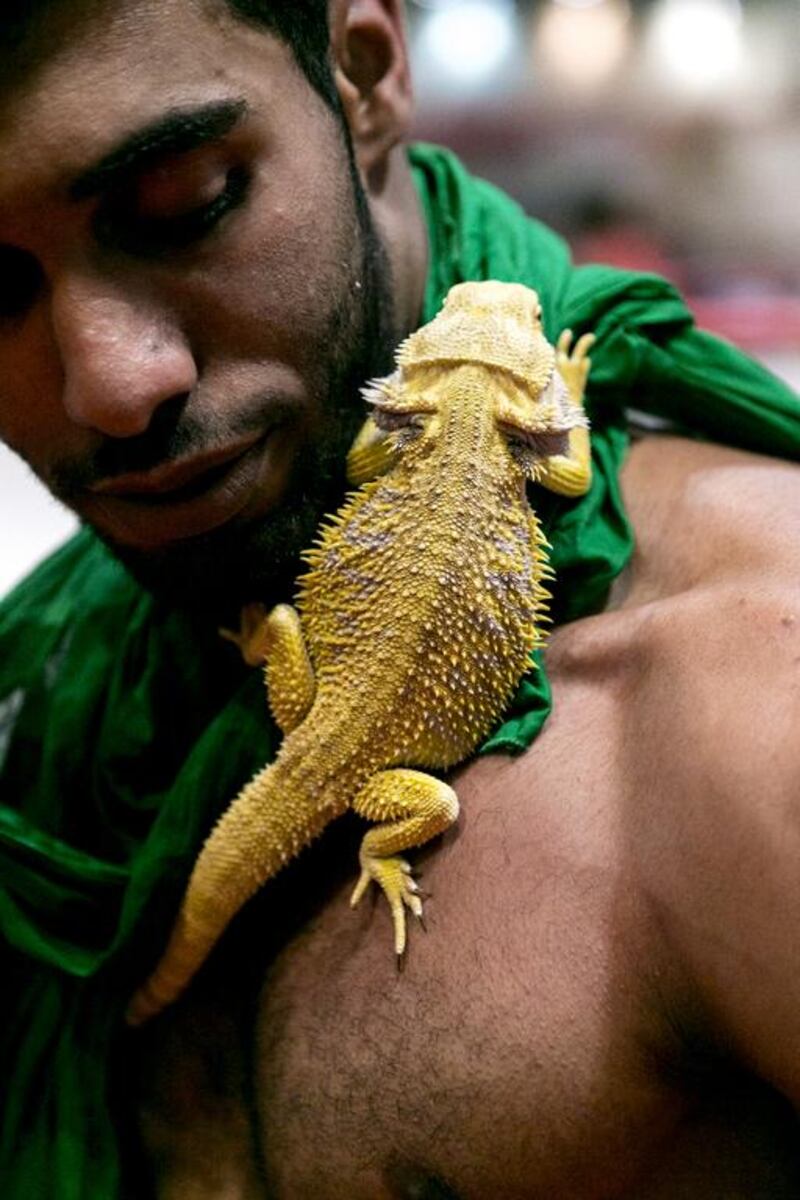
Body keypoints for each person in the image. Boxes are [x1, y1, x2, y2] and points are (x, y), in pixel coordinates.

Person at [1, 1, 799, 1196]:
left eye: (188, 205)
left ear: (364, 80)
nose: (114, 383)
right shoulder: (39, 713)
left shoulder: (750, 697)